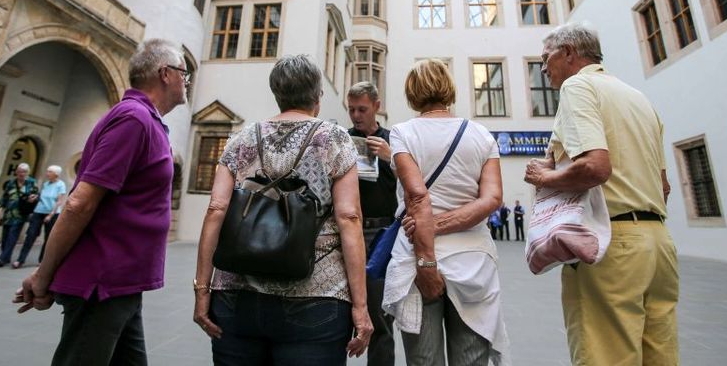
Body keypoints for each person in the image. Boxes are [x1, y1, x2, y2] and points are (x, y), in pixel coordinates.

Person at [14, 39, 189, 366]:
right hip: (102, 279)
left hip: (122, 281)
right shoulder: (134, 119)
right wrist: (44, 273)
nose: (186, 81)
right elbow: (80, 202)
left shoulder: (145, 120)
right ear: (165, 74)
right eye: (184, 73)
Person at [193, 54, 373, 365]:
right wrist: (360, 305)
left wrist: (202, 288)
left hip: (237, 293)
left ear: (277, 94)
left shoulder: (242, 138)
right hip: (317, 294)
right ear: (317, 96)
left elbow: (216, 208)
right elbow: (349, 217)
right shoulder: (334, 138)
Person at [524, 23, 678, 366]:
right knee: (660, 355)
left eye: (546, 58)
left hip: (611, 245)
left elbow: (595, 167)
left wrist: (545, 175)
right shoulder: (637, 97)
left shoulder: (578, 87)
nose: (543, 67)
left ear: (568, 53)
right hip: (657, 244)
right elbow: (663, 186)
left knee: (606, 355)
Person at [383, 59, 510, 365]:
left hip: (418, 259)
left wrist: (427, 257)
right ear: (449, 89)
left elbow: (416, 195)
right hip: (473, 262)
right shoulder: (481, 135)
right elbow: (492, 198)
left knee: (424, 360)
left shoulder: (403, 133)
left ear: (412, 93)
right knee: (471, 359)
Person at [347, 81, 395, 366]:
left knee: (379, 316)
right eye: (352, 109)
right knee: (338, 313)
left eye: (362, 109)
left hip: (381, 235)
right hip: (348, 231)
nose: (356, 115)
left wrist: (389, 158)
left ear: (377, 106)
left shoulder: (392, 139)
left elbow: (407, 187)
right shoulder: (343, 139)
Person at [13, 165, 67, 268]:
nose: (47, 173)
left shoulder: (61, 185)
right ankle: (20, 260)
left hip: (52, 213)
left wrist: (50, 215)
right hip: (39, 211)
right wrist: (35, 197)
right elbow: (42, 196)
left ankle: (42, 260)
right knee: (30, 235)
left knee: (48, 238)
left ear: (56, 174)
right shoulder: (46, 184)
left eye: (49, 172)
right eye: (47, 171)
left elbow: (59, 201)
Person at [0, 162, 38, 267]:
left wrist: (32, 199)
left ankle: (3, 258)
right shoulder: (11, 183)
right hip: (8, 214)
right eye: (20, 171)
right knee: (5, 237)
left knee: (13, 236)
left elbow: (36, 196)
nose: (21, 174)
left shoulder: (31, 182)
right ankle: (5, 256)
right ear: (16, 172)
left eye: (24, 172)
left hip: (20, 214)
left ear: (28, 173)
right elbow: (4, 198)